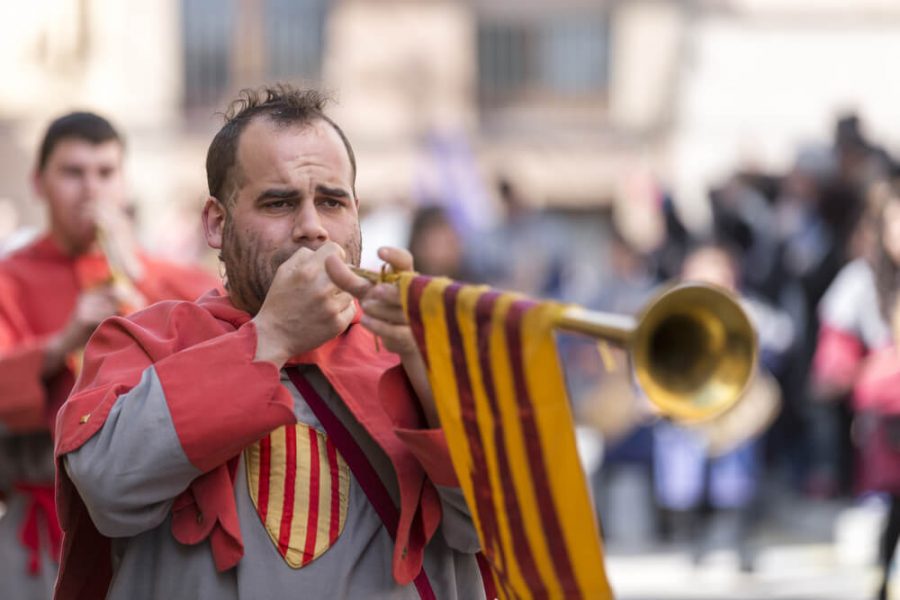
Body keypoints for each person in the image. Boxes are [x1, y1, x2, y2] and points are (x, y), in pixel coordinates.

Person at [54, 85, 485, 600]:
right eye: (279, 203)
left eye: (331, 201)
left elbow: (497, 526)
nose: (312, 228)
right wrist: (273, 336)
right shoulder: (142, 342)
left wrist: (429, 367)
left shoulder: (418, 348)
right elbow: (108, 487)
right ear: (216, 222)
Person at [0, 111, 218, 599]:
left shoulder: (165, 276)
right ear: (39, 183)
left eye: (105, 173)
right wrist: (59, 344)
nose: (91, 190)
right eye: (73, 173)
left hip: (153, 525)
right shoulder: (8, 278)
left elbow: (221, 361)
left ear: (125, 183)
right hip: (36, 530)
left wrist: (136, 273)